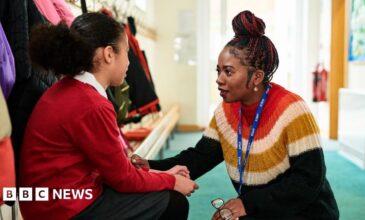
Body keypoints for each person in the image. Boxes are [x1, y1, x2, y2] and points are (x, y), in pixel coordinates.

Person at [132, 10, 339, 220]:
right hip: (263, 207)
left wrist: (246, 204)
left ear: (256, 77)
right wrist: (152, 167)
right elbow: (200, 157)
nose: (219, 79)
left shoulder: (292, 109)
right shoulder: (225, 111)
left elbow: (308, 180)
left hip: (306, 212)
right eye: (218, 70)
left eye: (228, 72)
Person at [19, 12, 198, 220]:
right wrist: (172, 181)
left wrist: (163, 174)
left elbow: (114, 170)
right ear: (109, 54)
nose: (129, 63)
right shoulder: (91, 104)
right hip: (62, 210)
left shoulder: (70, 89)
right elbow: (123, 179)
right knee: (172, 202)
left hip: (51, 203)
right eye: (127, 53)